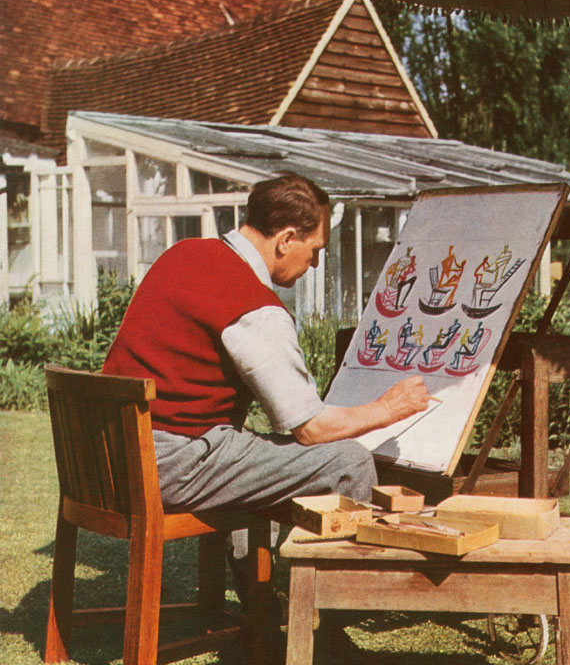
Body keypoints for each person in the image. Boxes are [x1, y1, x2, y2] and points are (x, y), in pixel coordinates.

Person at [103, 172, 431, 518]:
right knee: (348, 460)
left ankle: (253, 573)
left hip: (108, 454)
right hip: (167, 466)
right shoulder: (253, 305)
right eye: (315, 250)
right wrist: (388, 408)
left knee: (253, 446)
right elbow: (310, 428)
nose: (315, 263)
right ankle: (342, 570)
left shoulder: (184, 253)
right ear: (286, 239)